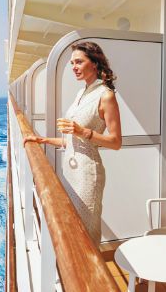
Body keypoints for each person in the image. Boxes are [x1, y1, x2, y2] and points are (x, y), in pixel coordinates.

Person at [23, 41, 122, 246]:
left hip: (87, 174)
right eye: (72, 63)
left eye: (79, 62)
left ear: (94, 63)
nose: (74, 67)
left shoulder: (106, 96)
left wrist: (82, 131)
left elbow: (116, 142)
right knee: (75, 228)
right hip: (70, 170)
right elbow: (71, 141)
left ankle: (92, 266)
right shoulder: (81, 93)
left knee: (87, 232)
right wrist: (42, 140)